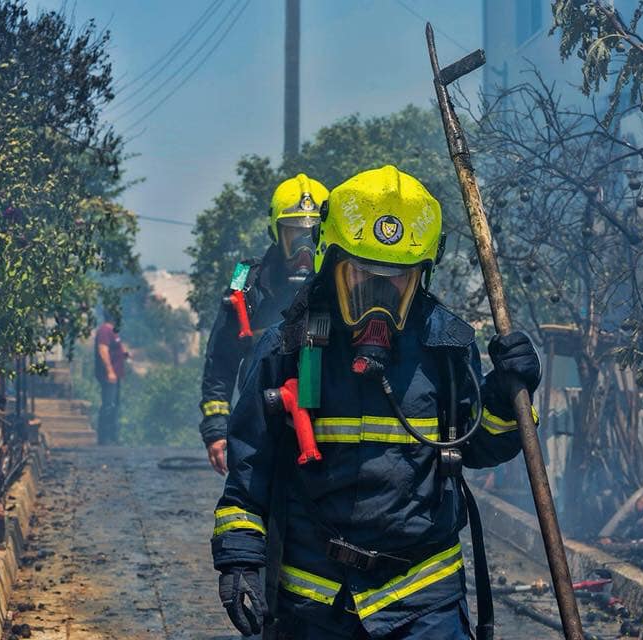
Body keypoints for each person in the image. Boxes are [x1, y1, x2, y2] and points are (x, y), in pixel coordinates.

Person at [210, 166, 542, 639]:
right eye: (363, 277)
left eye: (396, 282)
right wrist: (239, 558)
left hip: (423, 598)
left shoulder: (446, 347)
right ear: (332, 262)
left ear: (420, 279)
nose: (378, 301)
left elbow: (481, 446)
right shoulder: (286, 347)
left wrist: (510, 395)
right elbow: (249, 473)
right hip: (315, 600)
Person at [199, 174, 329, 474]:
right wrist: (216, 431)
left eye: (310, 237)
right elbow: (220, 363)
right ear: (275, 232)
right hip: (259, 426)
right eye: (293, 237)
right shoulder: (245, 281)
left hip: (327, 431)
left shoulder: (342, 283)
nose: (303, 252)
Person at [94, 314, 127, 445]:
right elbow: (103, 350)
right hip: (109, 375)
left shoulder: (113, 331)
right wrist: (110, 370)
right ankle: (104, 438)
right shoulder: (104, 330)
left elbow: (117, 347)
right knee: (109, 404)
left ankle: (113, 436)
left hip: (116, 375)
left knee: (114, 405)